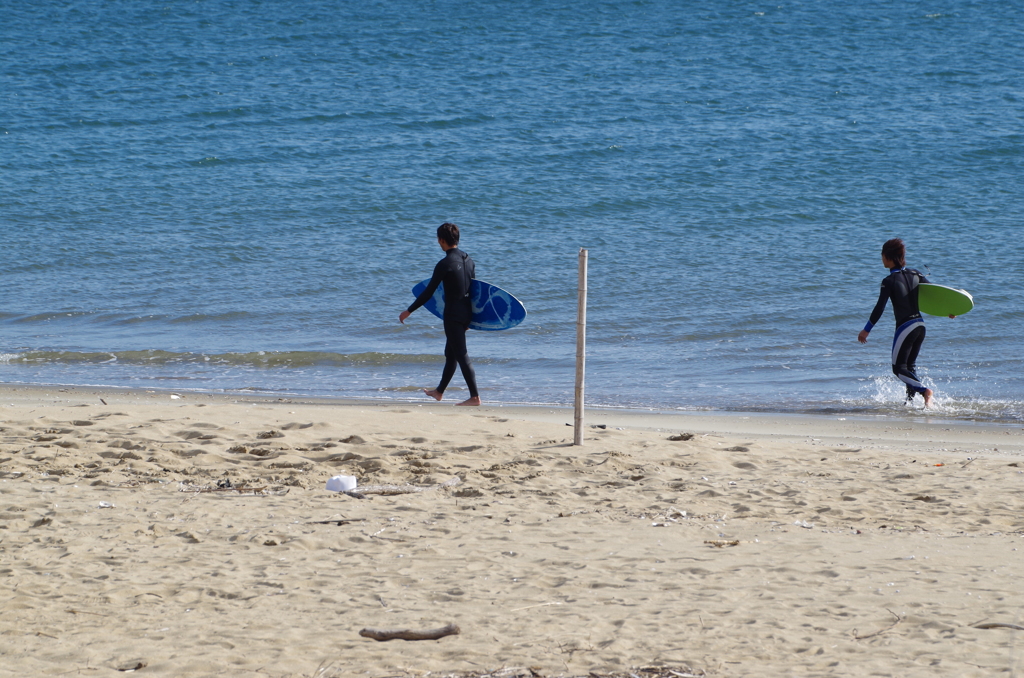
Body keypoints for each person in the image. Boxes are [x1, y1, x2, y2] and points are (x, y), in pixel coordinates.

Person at [399, 223, 481, 406]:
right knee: (450, 353)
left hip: (452, 314)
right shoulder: (469, 260)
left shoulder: (444, 264)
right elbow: (475, 291)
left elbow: (428, 292)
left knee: (461, 354)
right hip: (466, 313)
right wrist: (472, 318)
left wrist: (409, 311)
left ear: (441, 240)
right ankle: (439, 392)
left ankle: (475, 397)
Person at [858, 238, 934, 407]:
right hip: (920, 326)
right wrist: (950, 311)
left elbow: (879, 308)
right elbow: (934, 295)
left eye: (882, 255)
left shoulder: (889, 281)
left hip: (905, 327)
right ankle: (909, 403)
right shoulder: (916, 274)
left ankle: (925, 392)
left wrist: (867, 329)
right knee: (909, 367)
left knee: (898, 369)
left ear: (889, 257)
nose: (881, 259)